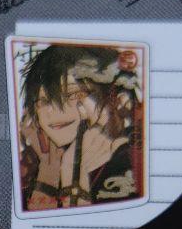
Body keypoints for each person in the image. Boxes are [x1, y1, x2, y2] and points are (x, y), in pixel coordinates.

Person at [17, 43, 143, 211]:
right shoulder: (30, 172)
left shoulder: (132, 164)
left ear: (119, 101)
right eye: (43, 102)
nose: (53, 111)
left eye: (73, 95)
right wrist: (48, 172)